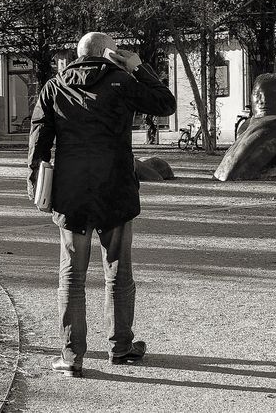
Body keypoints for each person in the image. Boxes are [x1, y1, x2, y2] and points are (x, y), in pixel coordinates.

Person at [27, 32, 176, 377]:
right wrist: (139, 67)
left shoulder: (54, 86)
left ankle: (71, 357)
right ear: (109, 53)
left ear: (77, 55)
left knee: (71, 277)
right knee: (119, 273)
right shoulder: (123, 81)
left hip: (71, 193)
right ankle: (120, 348)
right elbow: (165, 103)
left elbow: (38, 142)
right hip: (116, 190)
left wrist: (36, 183)